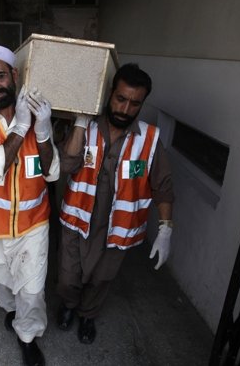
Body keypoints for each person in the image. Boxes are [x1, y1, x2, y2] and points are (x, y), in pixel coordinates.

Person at [56, 63, 174, 344]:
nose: (125, 108)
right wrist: (80, 123)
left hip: (118, 228)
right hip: (77, 218)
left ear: (142, 103)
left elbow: (163, 186)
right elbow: (66, 165)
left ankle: (87, 315)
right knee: (67, 276)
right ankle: (69, 306)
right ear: (110, 94)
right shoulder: (86, 125)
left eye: (135, 103)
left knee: (101, 279)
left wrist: (166, 228)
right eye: (120, 99)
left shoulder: (149, 138)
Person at [0, 44, 60, 366]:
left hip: (34, 222)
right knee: (2, 285)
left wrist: (42, 132)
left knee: (31, 291)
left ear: (14, 75)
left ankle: (28, 337)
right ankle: (13, 314)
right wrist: (19, 127)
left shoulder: (37, 111)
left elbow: (52, 171)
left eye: (0, 77)